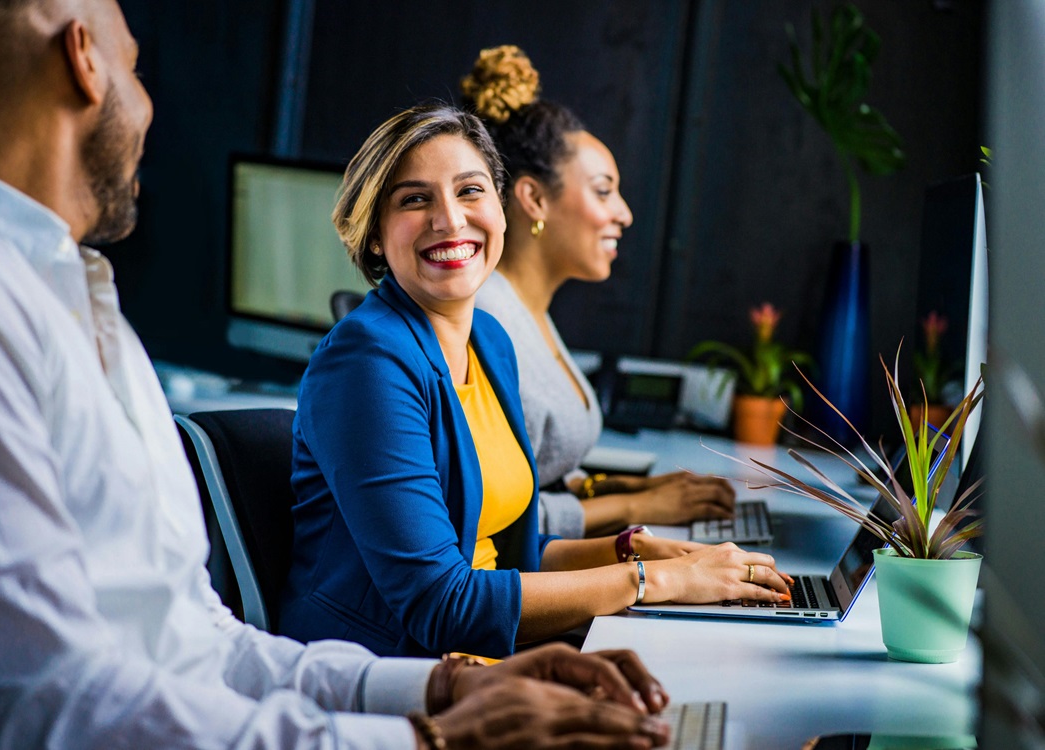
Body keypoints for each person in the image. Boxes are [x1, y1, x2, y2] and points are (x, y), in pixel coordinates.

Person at [0, 2, 675, 748]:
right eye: (135, 68)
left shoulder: (74, 294)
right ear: (84, 59)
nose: (150, 103)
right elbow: (48, 707)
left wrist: (447, 690)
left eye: (470, 190)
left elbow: (201, 644)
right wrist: (430, 737)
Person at [280, 103, 791, 660]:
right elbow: (441, 604)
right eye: (414, 199)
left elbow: (507, 556)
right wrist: (653, 581)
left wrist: (636, 550)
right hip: (385, 673)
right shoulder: (366, 362)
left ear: (501, 209)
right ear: (375, 235)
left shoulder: (491, 341)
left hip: (483, 656)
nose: (450, 219)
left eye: (470, 191)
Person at [464, 45, 737, 539]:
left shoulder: (528, 312)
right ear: (534, 198)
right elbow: (494, 521)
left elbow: (539, 475)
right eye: (603, 190)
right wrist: (639, 507)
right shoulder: (486, 321)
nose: (624, 213)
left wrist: (627, 490)